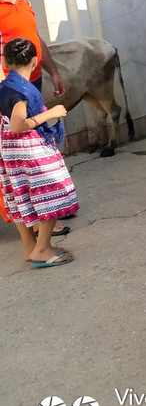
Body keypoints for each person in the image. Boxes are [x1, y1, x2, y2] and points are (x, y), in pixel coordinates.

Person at [0, 0, 67, 233]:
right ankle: (38, 223)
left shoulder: (25, 4)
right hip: (14, 90)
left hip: (34, 82)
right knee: (24, 154)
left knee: (38, 148)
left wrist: (53, 71)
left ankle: (47, 210)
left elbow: (37, 40)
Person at [0, 37, 79, 267]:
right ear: (35, 61)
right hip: (28, 148)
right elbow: (17, 124)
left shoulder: (5, 85)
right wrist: (50, 113)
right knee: (55, 189)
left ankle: (29, 248)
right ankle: (42, 249)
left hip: (11, 150)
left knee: (20, 196)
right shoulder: (21, 91)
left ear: (7, 61)